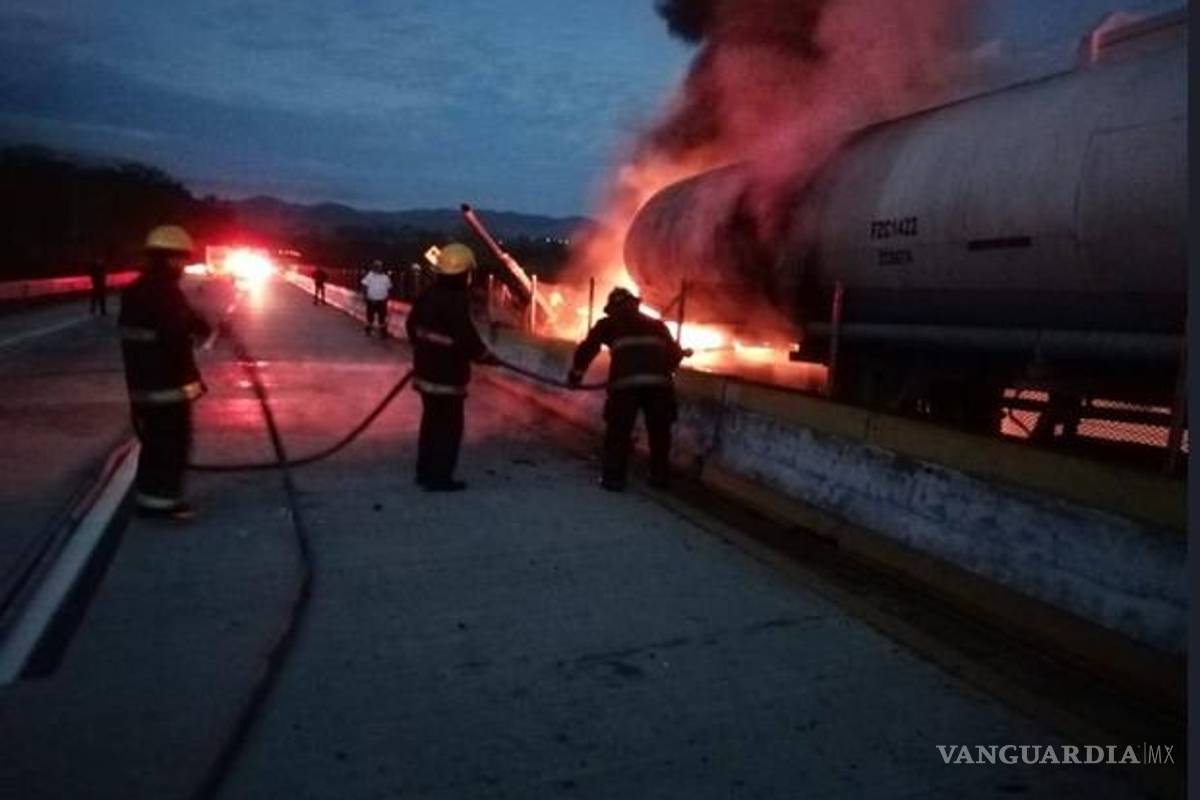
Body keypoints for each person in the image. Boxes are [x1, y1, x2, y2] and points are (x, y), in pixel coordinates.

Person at [119, 225, 211, 520]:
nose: (184, 266)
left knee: (154, 445)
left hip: (142, 385)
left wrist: (196, 323)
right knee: (171, 444)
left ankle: (149, 496)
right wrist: (199, 331)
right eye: (182, 259)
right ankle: (162, 503)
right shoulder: (165, 294)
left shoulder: (137, 291)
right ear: (171, 259)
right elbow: (175, 334)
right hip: (166, 387)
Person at [568, 287, 689, 491]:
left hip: (625, 386)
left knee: (619, 430)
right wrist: (662, 369)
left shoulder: (608, 323)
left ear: (613, 307)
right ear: (634, 304)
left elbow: (588, 348)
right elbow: (675, 355)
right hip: (659, 386)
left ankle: (614, 479)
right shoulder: (657, 324)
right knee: (659, 432)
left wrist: (576, 376)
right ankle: (659, 477)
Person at [405, 243, 497, 492]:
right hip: (448, 377)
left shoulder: (429, 294)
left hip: (425, 373)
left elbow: (411, 326)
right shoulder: (455, 300)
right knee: (448, 430)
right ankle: (440, 478)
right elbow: (465, 336)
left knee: (430, 424)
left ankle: (424, 473)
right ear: (464, 273)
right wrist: (485, 355)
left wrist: (423, 349)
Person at [361, 260, 392, 336]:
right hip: (372, 300)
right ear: (373, 267)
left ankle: (383, 332)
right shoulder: (369, 276)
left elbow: (389, 288)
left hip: (382, 300)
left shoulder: (385, 277)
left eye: (379, 266)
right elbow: (364, 286)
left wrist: (387, 298)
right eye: (376, 266)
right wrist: (365, 296)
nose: (378, 268)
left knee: (382, 317)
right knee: (370, 317)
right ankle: (368, 330)